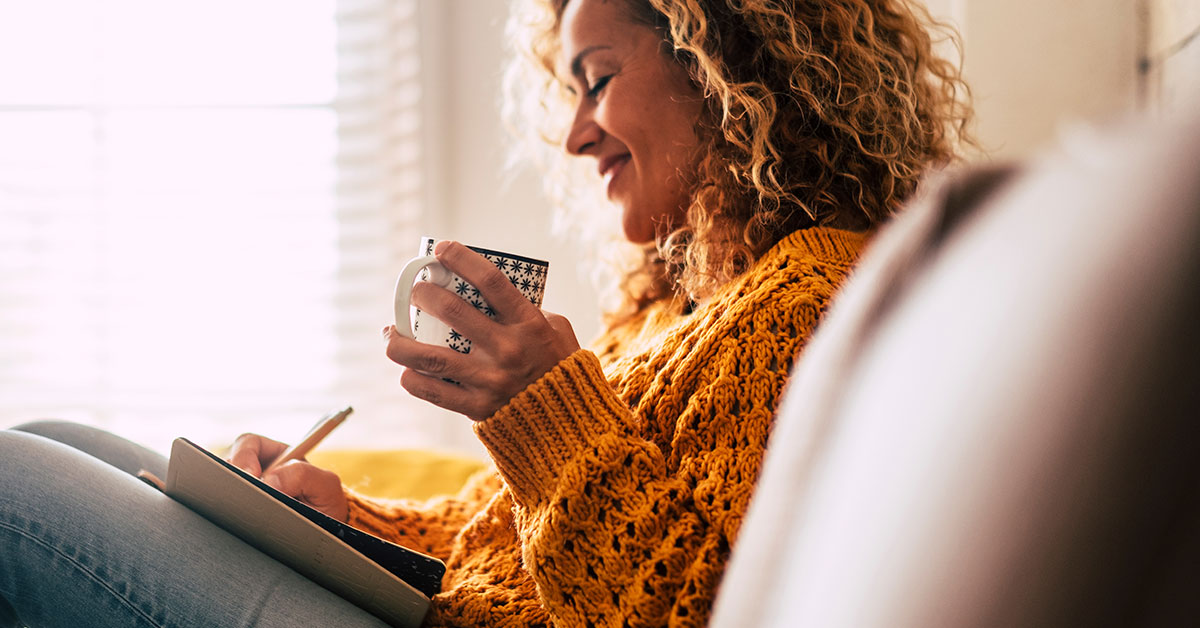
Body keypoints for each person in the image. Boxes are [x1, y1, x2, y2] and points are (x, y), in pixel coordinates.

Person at [0, 0, 972, 625]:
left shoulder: (805, 307)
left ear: (727, 64)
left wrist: (545, 411)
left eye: (597, 77)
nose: (580, 133)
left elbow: (689, 607)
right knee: (56, 435)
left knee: (13, 483)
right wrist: (342, 522)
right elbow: (498, 538)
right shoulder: (683, 307)